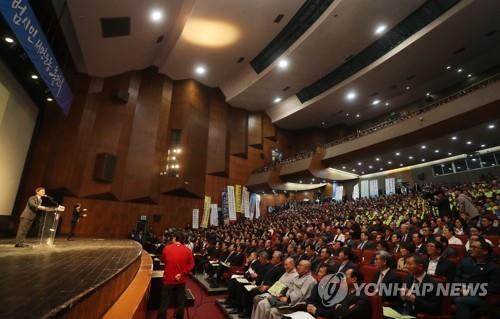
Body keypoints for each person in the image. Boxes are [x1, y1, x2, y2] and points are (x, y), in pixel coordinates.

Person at [454, 239, 500, 319]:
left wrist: (469, 291)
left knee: (460, 300)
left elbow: (493, 287)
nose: (470, 249)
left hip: (482, 297)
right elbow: (457, 276)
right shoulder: (466, 261)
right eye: (471, 247)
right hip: (462, 290)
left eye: (474, 247)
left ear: (484, 251)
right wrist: (459, 287)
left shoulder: (493, 267)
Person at [157, 230, 195, 319]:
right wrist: (182, 273)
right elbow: (192, 265)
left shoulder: (167, 248)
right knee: (180, 303)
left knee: (164, 303)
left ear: (175, 238)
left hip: (168, 280)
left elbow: (162, 260)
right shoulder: (187, 250)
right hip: (180, 280)